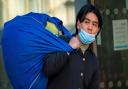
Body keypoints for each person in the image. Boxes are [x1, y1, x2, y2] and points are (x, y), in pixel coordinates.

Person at [44, 4, 103, 89]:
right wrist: (69, 48)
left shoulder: (93, 60)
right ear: (78, 24)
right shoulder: (61, 41)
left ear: (98, 30)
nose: (90, 27)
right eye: (86, 22)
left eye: (94, 24)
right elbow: (47, 68)